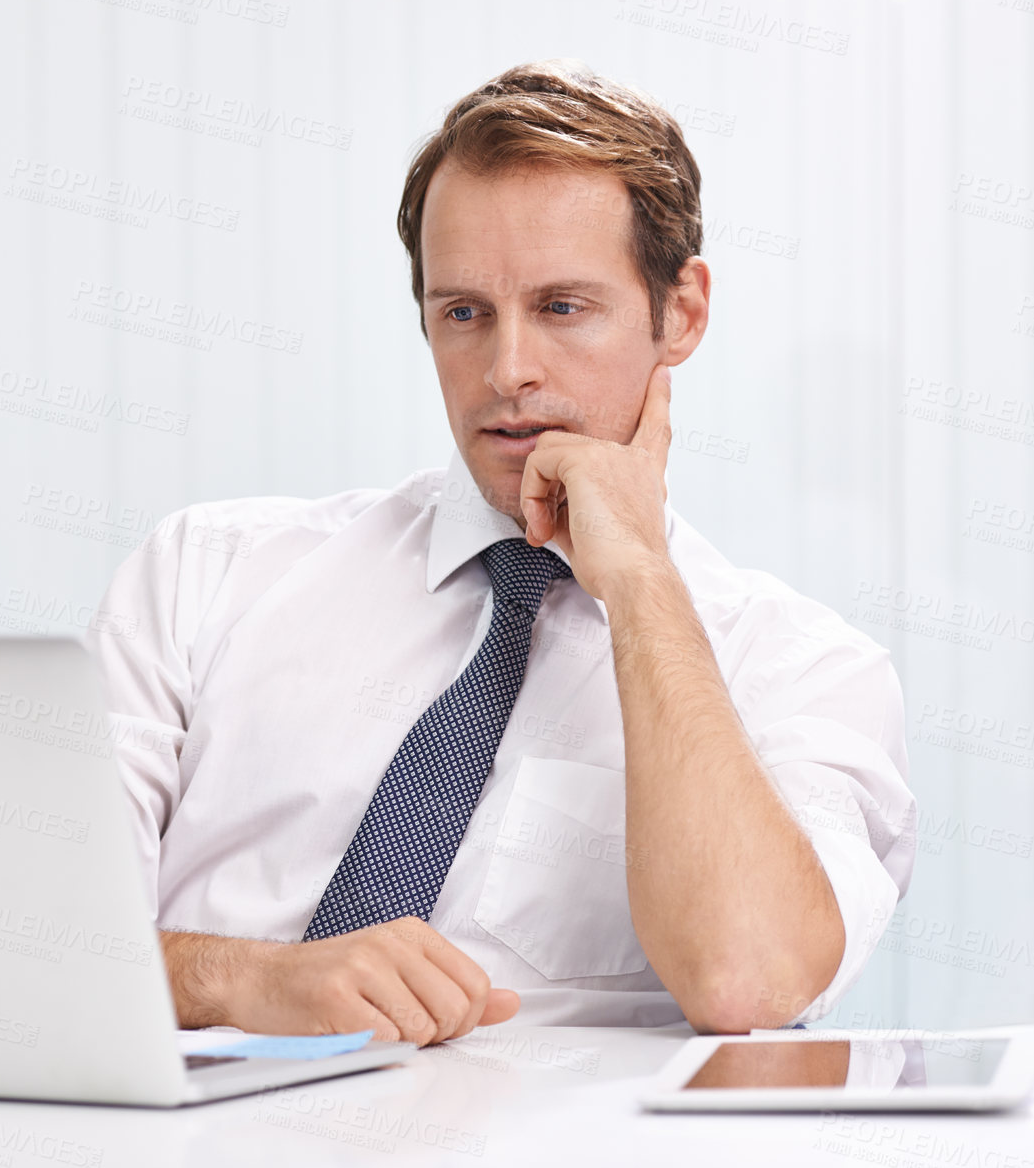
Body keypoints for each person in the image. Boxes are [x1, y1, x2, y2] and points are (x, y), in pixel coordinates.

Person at [89, 59, 915, 1046]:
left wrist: (640, 582)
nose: (507, 370)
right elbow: (12, 947)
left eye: (563, 307)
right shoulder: (203, 576)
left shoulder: (802, 670)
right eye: (463, 312)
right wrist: (243, 980)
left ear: (681, 312)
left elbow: (745, 982)